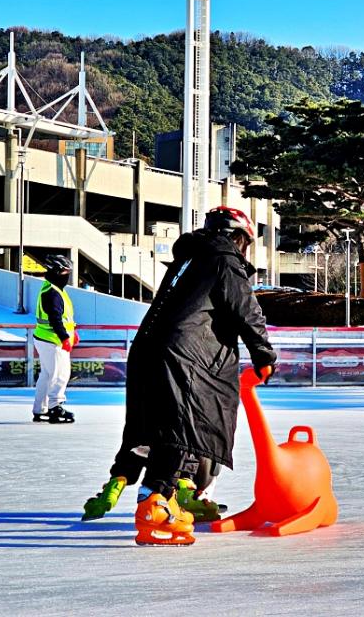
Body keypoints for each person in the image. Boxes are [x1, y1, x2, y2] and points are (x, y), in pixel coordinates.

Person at [82, 206, 276, 546]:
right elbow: (246, 308)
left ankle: (164, 499)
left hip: (147, 350)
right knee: (182, 426)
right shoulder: (223, 259)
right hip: (184, 355)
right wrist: (263, 354)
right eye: (244, 241)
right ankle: (155, 505)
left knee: (160, 426)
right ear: (236, 237)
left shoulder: (187, 260)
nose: (243, 249)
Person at [31, 254, 79, 424]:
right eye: (66, 272)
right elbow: (55, 318)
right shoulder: (53, 293)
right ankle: (55, 406)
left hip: (45, 338)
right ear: (57, 272)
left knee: (47, 375)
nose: (68, 276)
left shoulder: (51, 289)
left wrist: (73, 332)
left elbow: (64, 318)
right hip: (52, 340)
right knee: (60, 374)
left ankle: (40, 408)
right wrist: (65, 337)